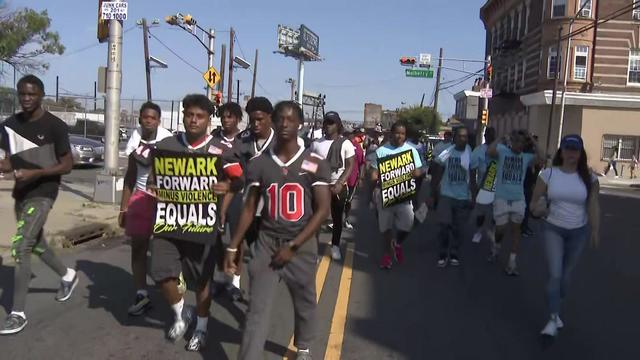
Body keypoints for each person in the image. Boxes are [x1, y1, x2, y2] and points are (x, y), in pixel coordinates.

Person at [225, 101, 331, 360]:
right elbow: (249, 208)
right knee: (256, 310)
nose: (285, 124)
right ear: (274, 121)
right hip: (267, 241)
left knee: (304, 302)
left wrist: (294, 246)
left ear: (300, 124)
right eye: (280, 119)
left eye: (291, 119)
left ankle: (304, 346)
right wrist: (233, 244)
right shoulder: (260, 163)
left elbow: (323, 210)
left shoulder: (314, 163)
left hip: (301, 244)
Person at [147, 94, 231, 351]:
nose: (193, 120)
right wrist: (154, 191)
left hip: (202, 226)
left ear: (208, 119)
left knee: (202, 282)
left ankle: (202, 328)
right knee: (160, 271)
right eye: (189, 114)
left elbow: (238, 183)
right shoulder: (166, 145)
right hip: (169, 223)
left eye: (200, 116)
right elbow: (153, 181)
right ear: (183, 115)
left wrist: (225, 186)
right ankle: (182, 311)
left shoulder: (221, 150)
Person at [0, 75, 79, 335]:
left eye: (31, 94)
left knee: (21, 246)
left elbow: (66, 164)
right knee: (36, 243)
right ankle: (68, 275)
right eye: (22, 94)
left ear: (41, 95)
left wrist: (36, 174)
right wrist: (7, 167)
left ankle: (17, 313)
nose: (25, 98)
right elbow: (11, 161)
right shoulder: (10, 125)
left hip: (44, 192)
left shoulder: (54, 126)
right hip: (21, 193)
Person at [530, 135, 600, 337]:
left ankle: (555, 304)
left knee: (565, 278)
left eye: (575, 149)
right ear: (561, 151)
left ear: (581, 153)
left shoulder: (590, 178)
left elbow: (593, 205)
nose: (571, 153)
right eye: (567, 149)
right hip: (553, 228)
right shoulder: (548, 174)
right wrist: (538, 209)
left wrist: (595, 229)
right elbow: (534, 202)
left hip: (579, 232)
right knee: (555, 274)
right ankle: (553, 318)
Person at [119, 102, 172, 316]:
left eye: (153, 118)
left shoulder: (168, 140)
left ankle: (175, 286)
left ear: (159, 120)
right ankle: (141, 293)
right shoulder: (135, 137)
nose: (148, 121)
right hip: (140, 200)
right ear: (140, 119)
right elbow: (130, 175)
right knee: (138, 248)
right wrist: (124, 207)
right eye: (145, 117)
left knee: (163, 251)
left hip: (164, 200)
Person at [371, 121, 424, 269]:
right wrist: (373, 188)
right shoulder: (382, 151)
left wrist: (414, 172)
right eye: (397, 133)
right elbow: (374, 173)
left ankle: (397, 243)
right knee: (386, 228)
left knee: (409, 224)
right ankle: (387, 256)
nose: (400, 136)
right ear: (391, 134)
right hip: (386, 193)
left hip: (404, 194)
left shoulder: (411, 151)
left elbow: (419, 171)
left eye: (403, 134)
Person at [487, 130, 540, 276]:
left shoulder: (526, 157)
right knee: (501, 230)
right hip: (501, 198)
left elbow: (542, 157)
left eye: (522, 143)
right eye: (517, 142)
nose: (519, 145)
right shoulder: (503, 152)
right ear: (512, 143)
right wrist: (499, 137)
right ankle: (496, 244)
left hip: (518, 199)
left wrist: (532, 139)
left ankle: (512, 262)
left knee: (516, 230)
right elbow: (490, 151)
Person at [208, 102, 246, 302]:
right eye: (223, 116)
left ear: (238, 119)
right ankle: (221, 277)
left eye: (230, 116)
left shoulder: (244, 141)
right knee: (215, 238)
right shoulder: (213, 139)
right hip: (214, 194)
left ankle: (236, 282)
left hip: (238, 195)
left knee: (237, 239)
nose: (226, 120)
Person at [428, 126, 477, 267]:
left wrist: (474, 197)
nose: (463, 139)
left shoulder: (470, 153)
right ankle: (443, 253)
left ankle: (454, 252)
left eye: (465, 136)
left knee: (458, 228)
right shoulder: (447, 152)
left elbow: (473, 178)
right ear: (455, 138)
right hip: (446, 195)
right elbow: (437, 170)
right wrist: (433, 193)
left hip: (462, 198)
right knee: (444, 225)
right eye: (460, 136)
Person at [309, 111, 355, 261]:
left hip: (338, 187)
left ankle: (335, 246)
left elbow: (350, 166)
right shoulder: (316, 143)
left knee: (337, 219)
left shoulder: (346, 143)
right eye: (326, 122)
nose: (328, 125)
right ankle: (314, 249)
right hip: (319, 186)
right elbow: (309, 164)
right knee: (316, 219)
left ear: (338, 125)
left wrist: (340, 183)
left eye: (331, 122)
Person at [470, 127, 497, 245]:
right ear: (485, 136)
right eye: (488, 135)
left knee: (495, 214)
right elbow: (472, 170)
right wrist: (473, 188)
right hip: (483, 186)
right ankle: (479, 231)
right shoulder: (478, 150)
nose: (490, 137)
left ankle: (493, 232)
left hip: (497, 188)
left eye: (493, 135)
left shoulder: (500, 149)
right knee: (481, 213)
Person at [344, 130, 366, 230]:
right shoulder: (340, 144)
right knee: (338, 201)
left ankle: (346, 220)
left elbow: (362, 163)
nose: (349, 137)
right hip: (340, 179)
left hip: (352, 180)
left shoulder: (357, 147)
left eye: (350, 135)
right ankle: (335, 221)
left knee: (348, 201)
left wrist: (361, 178)